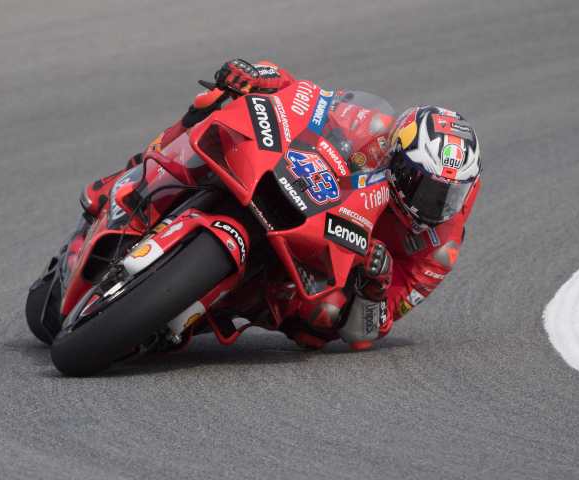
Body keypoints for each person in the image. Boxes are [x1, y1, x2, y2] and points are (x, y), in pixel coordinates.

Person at [80, 59, 482, 351]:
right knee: (214, 101)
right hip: (300, 191)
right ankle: (129, 175)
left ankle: (201, 306)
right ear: (398, 158)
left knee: (323, 321)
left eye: (451, 195)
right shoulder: (374, 129)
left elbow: (373, 329)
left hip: (326, 263)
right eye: (426, 188)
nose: (435, 206)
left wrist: (375, 286)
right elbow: (311, 100)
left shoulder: (439, 247)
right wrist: (265, 77)